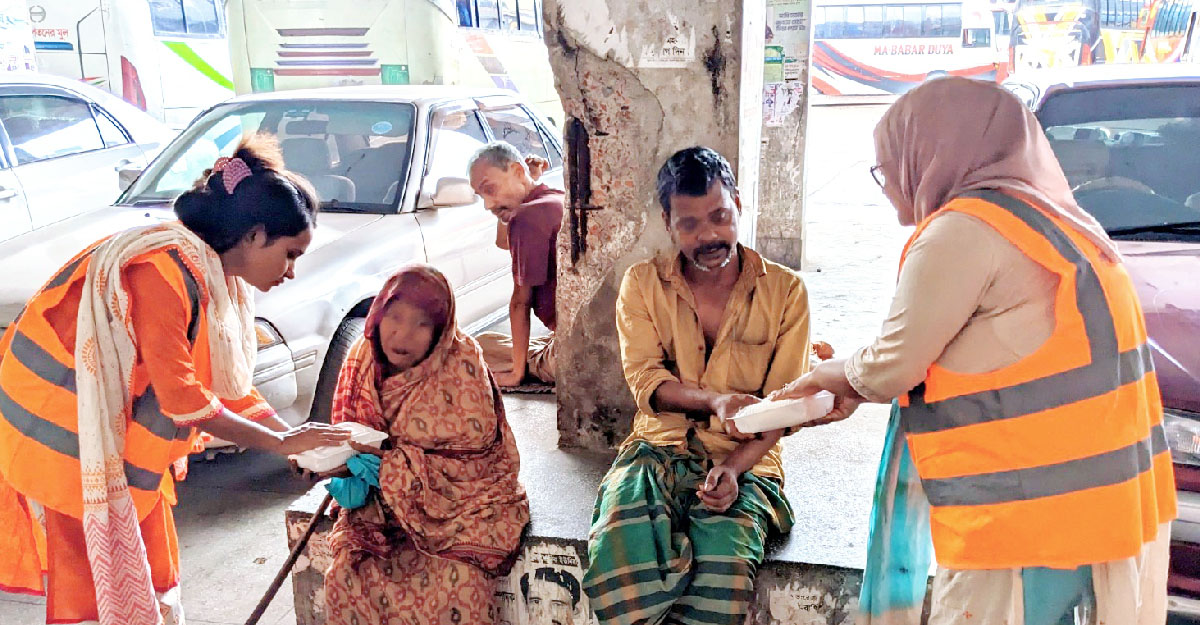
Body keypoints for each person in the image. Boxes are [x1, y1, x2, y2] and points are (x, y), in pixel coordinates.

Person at [773, 77, 1176, 625]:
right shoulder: (1059, 220)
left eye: (886, 166)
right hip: (1100, 502)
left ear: (930, 152)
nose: (886, 182)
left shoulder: (964, 229)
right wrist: (851, 379)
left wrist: (832, 375)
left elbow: (894, 362)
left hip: (1023, 513)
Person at [0, 134, 351, 625]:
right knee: (94, 589)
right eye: (290, 253)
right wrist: (285, 442)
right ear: (253, 236)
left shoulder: (213, 276)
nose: (291, 271)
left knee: (150, 564)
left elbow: (227, 387)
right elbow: (184, 402)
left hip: (118, 444)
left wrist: (295, 442)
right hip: (64, 437)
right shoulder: (163, 272)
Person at [582, 146, 812, 624]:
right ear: (667, 223)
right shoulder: (642, 284)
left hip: (748, 460)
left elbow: (786, 407)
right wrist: (715, 400)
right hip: (654, 448)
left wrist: (732, 468)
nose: (709, 235)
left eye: (720, 217)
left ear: (739, 206)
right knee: (618, 562)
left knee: (722, 569)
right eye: (689, 224)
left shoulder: (785, 292)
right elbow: (645, 379)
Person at [321, 264, 530, 625]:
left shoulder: (462, 363)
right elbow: (346, 440)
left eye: (422, 324)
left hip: (461, 506)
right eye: (395, 317)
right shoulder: (361, 359)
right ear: (378, 313)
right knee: (346, 576)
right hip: (379, 508)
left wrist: (390, 468)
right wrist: (340, 470)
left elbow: (473, 461)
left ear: (440, 330)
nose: (403, 334)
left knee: (461, 585)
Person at [469, 142, 563, 388]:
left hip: (573, 353)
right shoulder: (552, 197)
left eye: (490, 189)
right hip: (574, 336)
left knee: (471, 355)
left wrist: (517, 374)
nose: (488, 205)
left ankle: (529, 363)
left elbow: (521, 301)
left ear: (517, 172)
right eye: (481, 196)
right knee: (482, 342)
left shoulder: (528, 215)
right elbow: (503, 242)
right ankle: (536, 355)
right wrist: (526, 183)